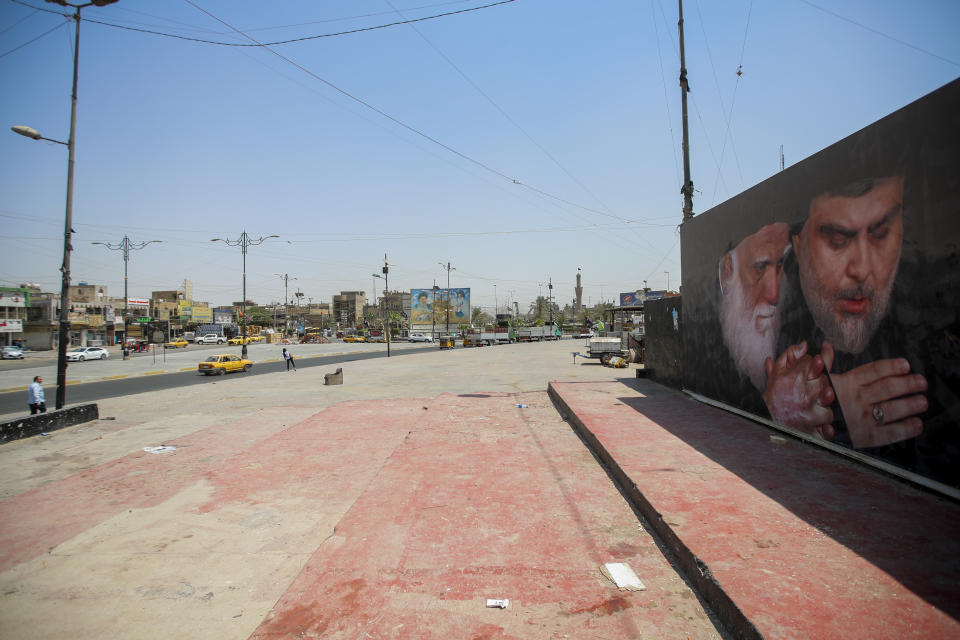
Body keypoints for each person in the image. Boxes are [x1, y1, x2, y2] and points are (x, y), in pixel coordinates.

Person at [770, 176, 927, 449]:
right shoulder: (774, 326)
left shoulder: (926, 330)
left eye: (880, 234)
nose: (861, 269)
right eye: (838, 239)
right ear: (799, 246)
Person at [716, 223, 835, 430]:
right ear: (729, 267)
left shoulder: (801, 319)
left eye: (780, 265)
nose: (774, 295)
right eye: (760, 268)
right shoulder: (708, 339)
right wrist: (773, 410)